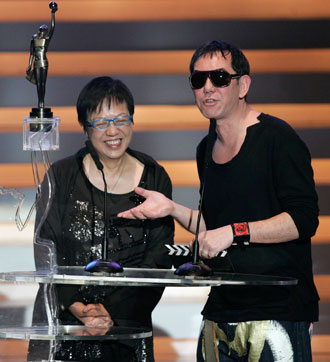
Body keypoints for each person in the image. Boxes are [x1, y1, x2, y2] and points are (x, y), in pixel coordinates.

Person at [118, 40, 320, 361]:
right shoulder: (205, 148)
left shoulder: (277, 139)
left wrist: (235, 231)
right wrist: (172, 209)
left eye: (220, 78)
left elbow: (303, 219)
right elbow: (216, 227)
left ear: (243, 85)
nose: (208, 88)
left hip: (276, 309)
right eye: (199, 80)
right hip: (222, 310)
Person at [28, 76, 174, 362]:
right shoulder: (60, 177)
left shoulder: (154, 177)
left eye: (121, 119)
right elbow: (45, 246)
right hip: (65, 321)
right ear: (85, 127)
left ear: (132, 121)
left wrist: (112, 313)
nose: (113, 131)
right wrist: (78, 306)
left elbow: (159, 257)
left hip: (127, 329)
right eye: (101, 122)